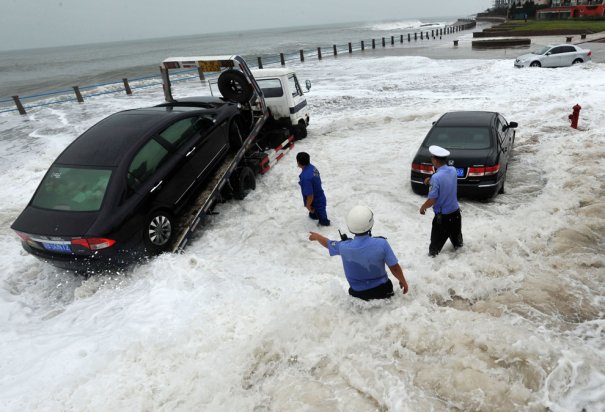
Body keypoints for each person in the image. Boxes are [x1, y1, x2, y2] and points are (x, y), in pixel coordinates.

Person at [308, 205, 408, 300]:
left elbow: (328, 243)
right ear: (370, 224)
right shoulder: (381, 244)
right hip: (383, 290)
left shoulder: (343, 246)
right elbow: (394, 268)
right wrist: (403, 281)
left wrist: (318, 237)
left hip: (358, 295)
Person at [419, 145, 463, 257]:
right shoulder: (453, 170)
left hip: (443, 220)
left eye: (432, 158)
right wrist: (431, 180)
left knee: (433, 252)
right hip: (456, 215)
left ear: (435, 160)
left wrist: (423, 207)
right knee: (459, 247)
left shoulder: (436, 178)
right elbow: (445, 180)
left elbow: (432, 200)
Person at [297, 152, 330, 226]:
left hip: (316, 201)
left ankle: (324, 223)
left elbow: (310, 196)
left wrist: (308, 206)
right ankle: (314, 214)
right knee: (314, 213)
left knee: (322, 218)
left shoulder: (305, 178)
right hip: (319, 195)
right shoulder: (312, 167)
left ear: (298, 162)